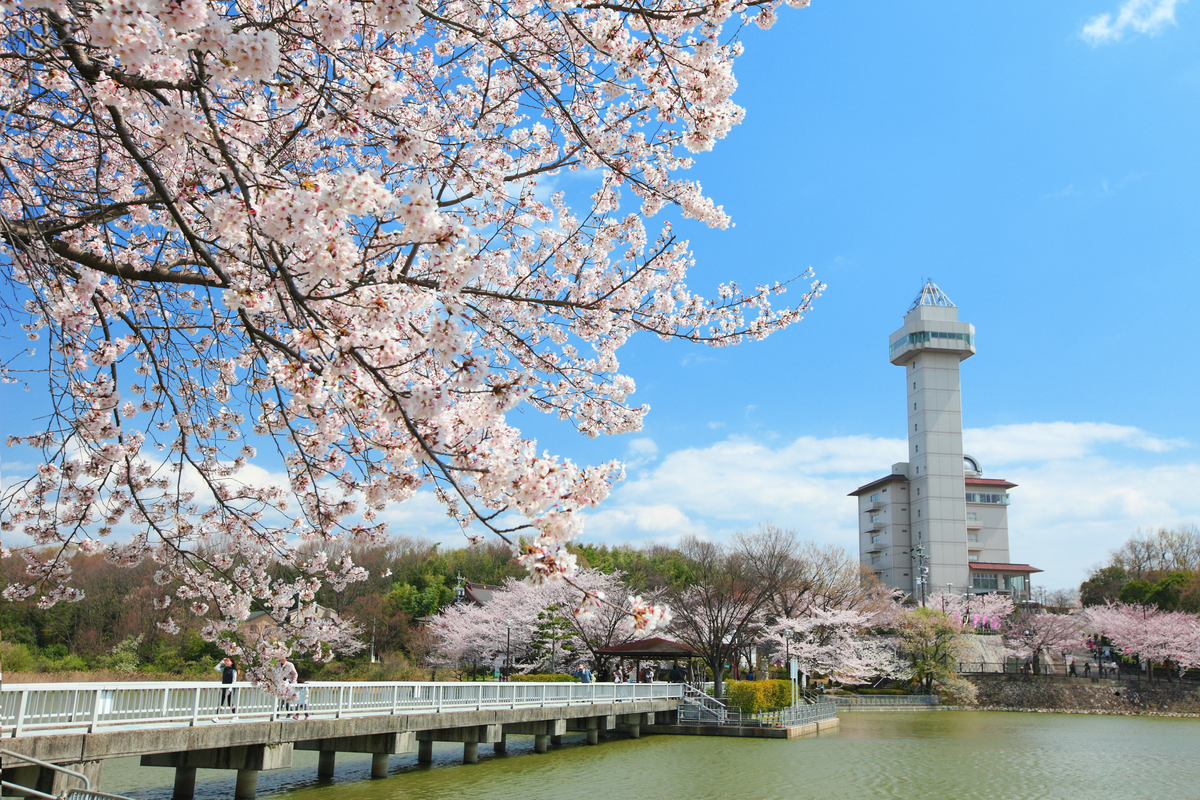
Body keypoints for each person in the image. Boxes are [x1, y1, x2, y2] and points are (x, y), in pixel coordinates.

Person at [213, 656, 238, 721]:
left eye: (228, 661)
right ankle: (217, 717)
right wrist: (221, 662)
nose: (226, 662)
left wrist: (229, 689)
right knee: (221, 702)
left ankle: (235, 716)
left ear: (232, 662)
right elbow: (216, 668)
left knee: (230, 703)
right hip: (224, 687)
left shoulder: (233, 671)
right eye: (226, 661)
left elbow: (234, 681)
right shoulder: (224, 669)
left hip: (231, 688)